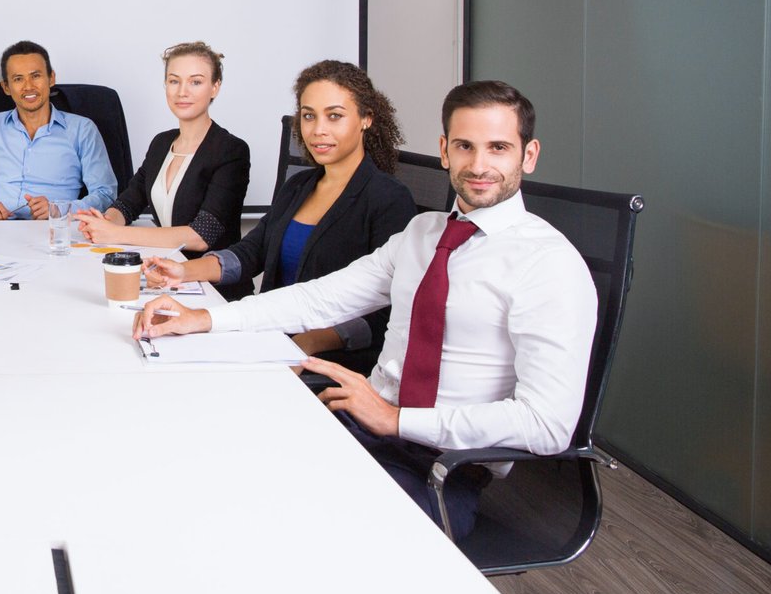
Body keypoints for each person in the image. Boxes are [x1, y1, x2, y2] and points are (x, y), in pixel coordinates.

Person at [132, 81, 596, 538]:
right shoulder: (422, 234)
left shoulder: (549, 264)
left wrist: (396, 419)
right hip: (358, 430)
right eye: (464, 146)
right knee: (208, 464)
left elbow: (547, 425)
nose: (478, 165)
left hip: (440, 466)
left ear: (528, 155)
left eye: (498, 147)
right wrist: (205, 320)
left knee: (293, 529)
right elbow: (321, 298)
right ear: (443, 150)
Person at [134, 59, 417, 371]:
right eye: (309, 116)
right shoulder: (299, 186)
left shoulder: (388, 198)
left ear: (366, 119)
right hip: (267, 338)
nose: (318, 130)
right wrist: (184, 272)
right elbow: (252, 251)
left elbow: (387, 311)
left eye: (334, 116)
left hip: (330, 363)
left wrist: (308, 343)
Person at [73, 41, 250, 254]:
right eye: (174, 81)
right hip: (165, 269)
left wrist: (115, 233)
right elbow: (127, 205)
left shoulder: (231, 150)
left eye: (195, 82)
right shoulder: (162, 143)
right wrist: (105, 221)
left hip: (211, 281)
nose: (182, 92)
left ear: (215, 87)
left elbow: (202, 236)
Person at [0, 41, 117, 220]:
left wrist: (61, 209)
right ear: (6, 87)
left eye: (35, 76)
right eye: (18, 79)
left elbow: (105, 193)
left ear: (51, 78)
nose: (28, 86)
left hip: (55, 230)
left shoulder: (83, 130)